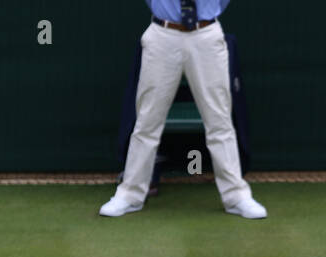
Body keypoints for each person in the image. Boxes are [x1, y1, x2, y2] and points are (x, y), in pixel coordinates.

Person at [99, 0, 266, 220]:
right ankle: (130, 194)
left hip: (206, 33)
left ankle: (236, 196)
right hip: (163, 33)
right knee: (147, 121)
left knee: (220, 121)